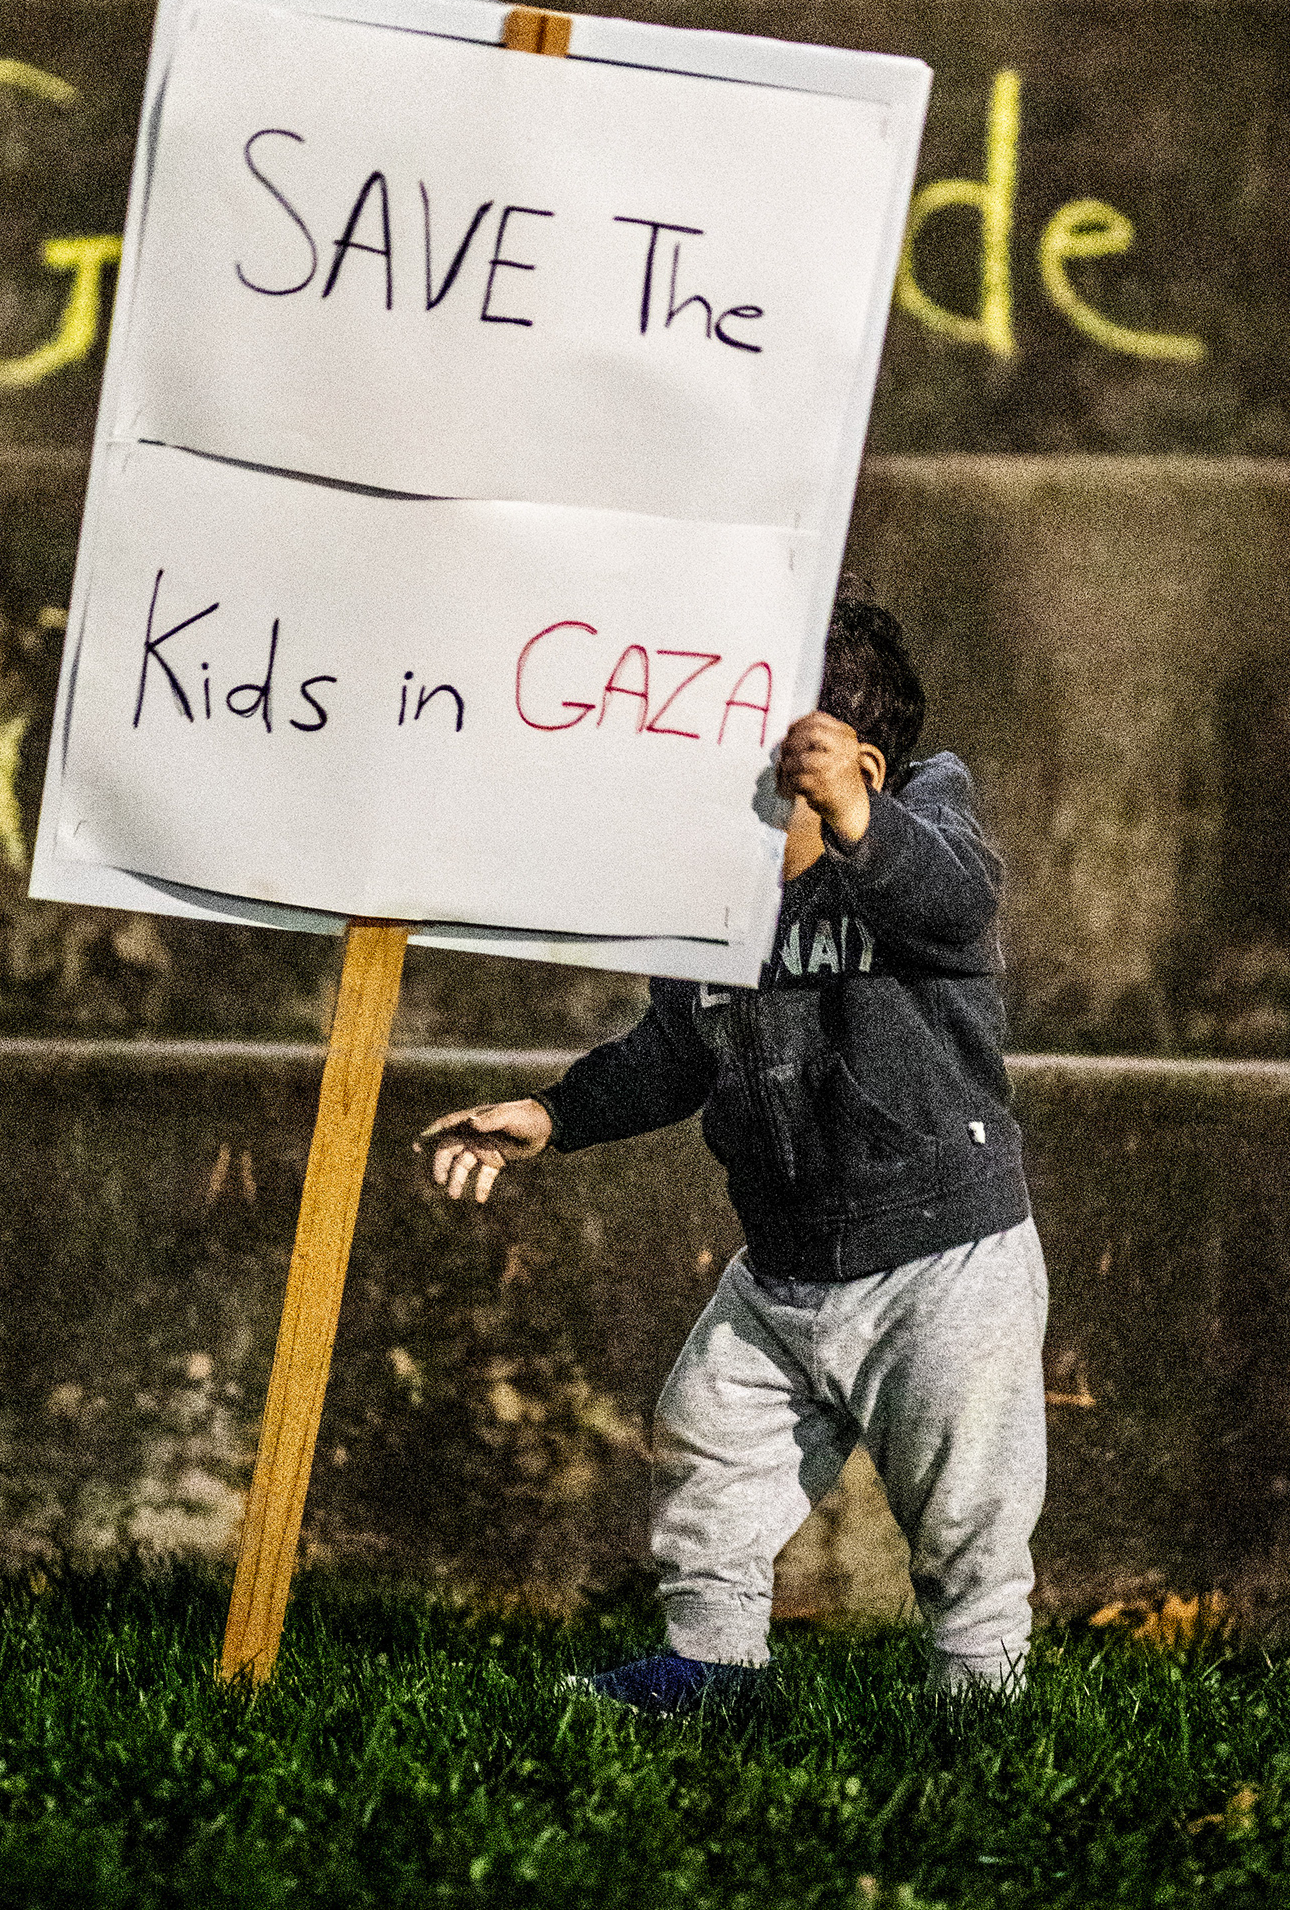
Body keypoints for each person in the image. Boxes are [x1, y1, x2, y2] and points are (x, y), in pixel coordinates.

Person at [422, 580, 1047, 1715]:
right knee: (706, 1442)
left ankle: (979, 1689)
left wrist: (862, 824)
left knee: (967, 1504)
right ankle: (713, 1665)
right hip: (784, 1262)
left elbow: (957, 904)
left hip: (944, 1258)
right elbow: (676, 1044)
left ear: (846, 769)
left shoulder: (924, 831)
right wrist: (554, 1116)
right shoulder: (713, 895)